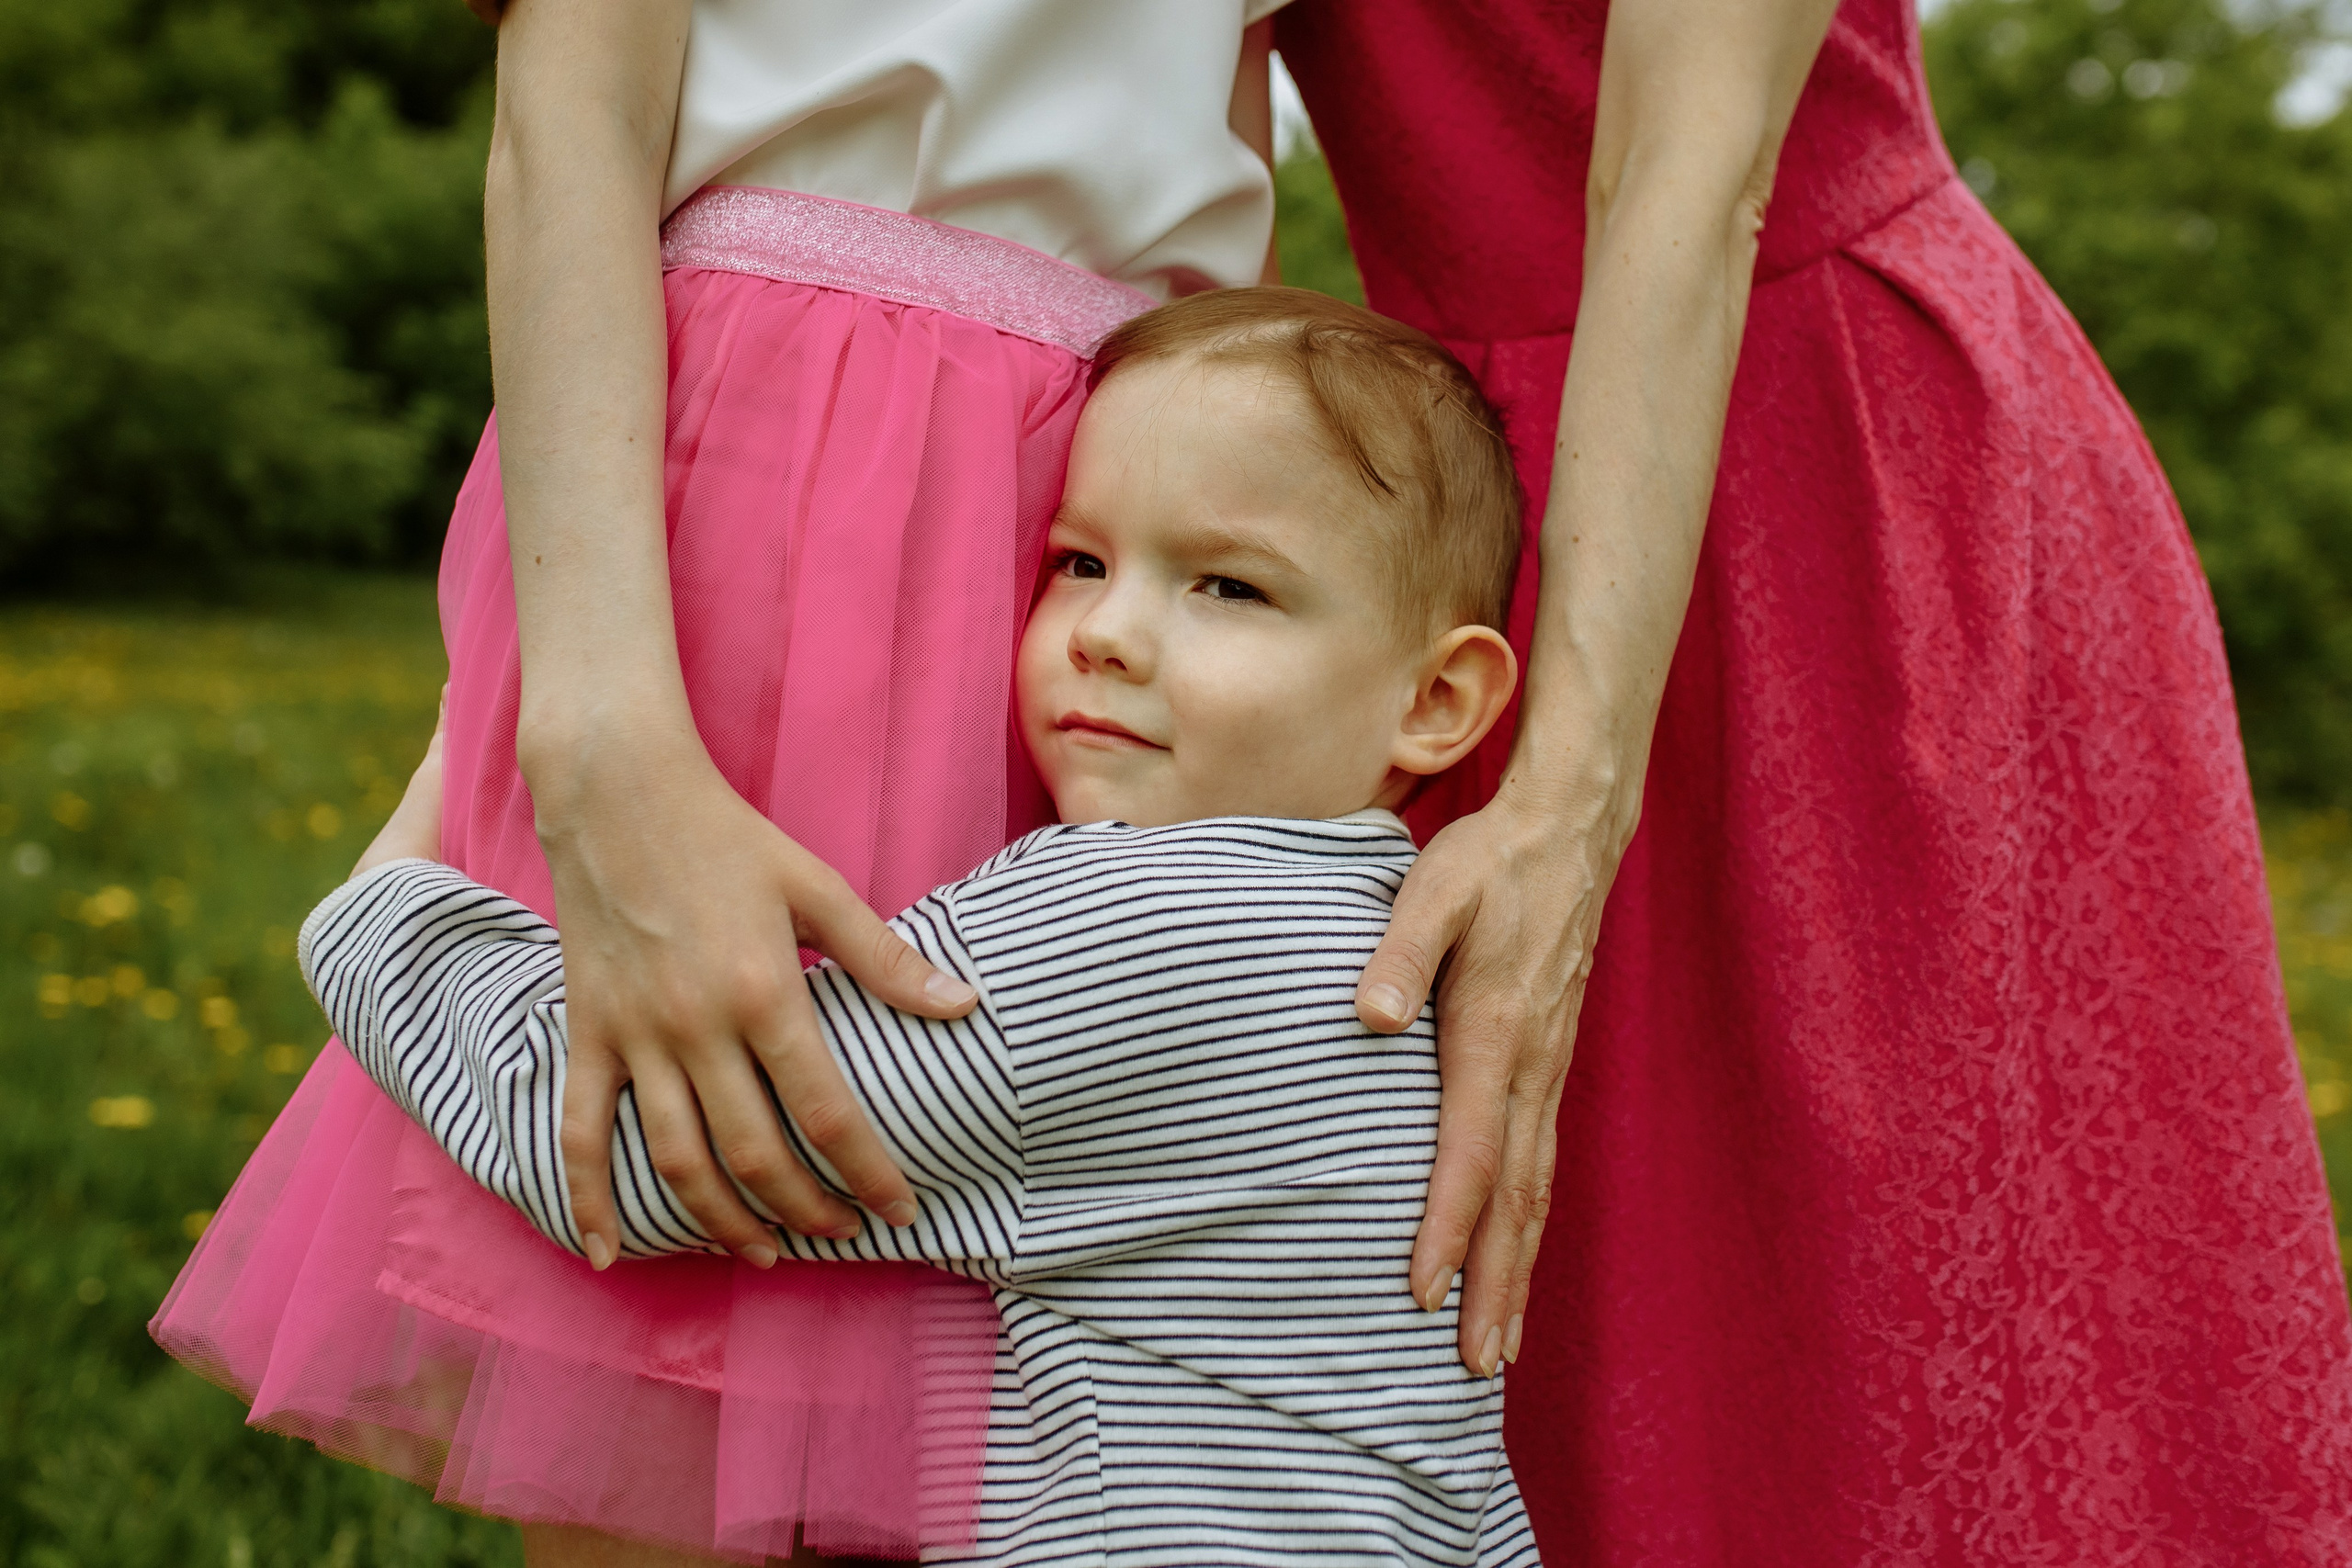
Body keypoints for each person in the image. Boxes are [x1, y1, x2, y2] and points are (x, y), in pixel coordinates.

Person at [150, 4, 1308, 1562]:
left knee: (1042, 1352)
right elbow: (573, 119)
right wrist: (592, 724)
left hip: (1123, 498)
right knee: (709, 1243)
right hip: (796, 467)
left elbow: (1226, 156)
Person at [1272, 0, 2352, 1560]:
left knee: (1939, 1353)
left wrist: (1563, 809)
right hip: (1457, 529)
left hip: (1843, 485)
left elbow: (1690, 171)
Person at [298, 287, 1544, 1568]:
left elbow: (634, 1146)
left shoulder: (1126, 935)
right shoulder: (1390, 937)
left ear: (1439, 700)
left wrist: (387, 907)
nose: (1108, 634)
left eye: (1228, 586)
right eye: (1080, 563)